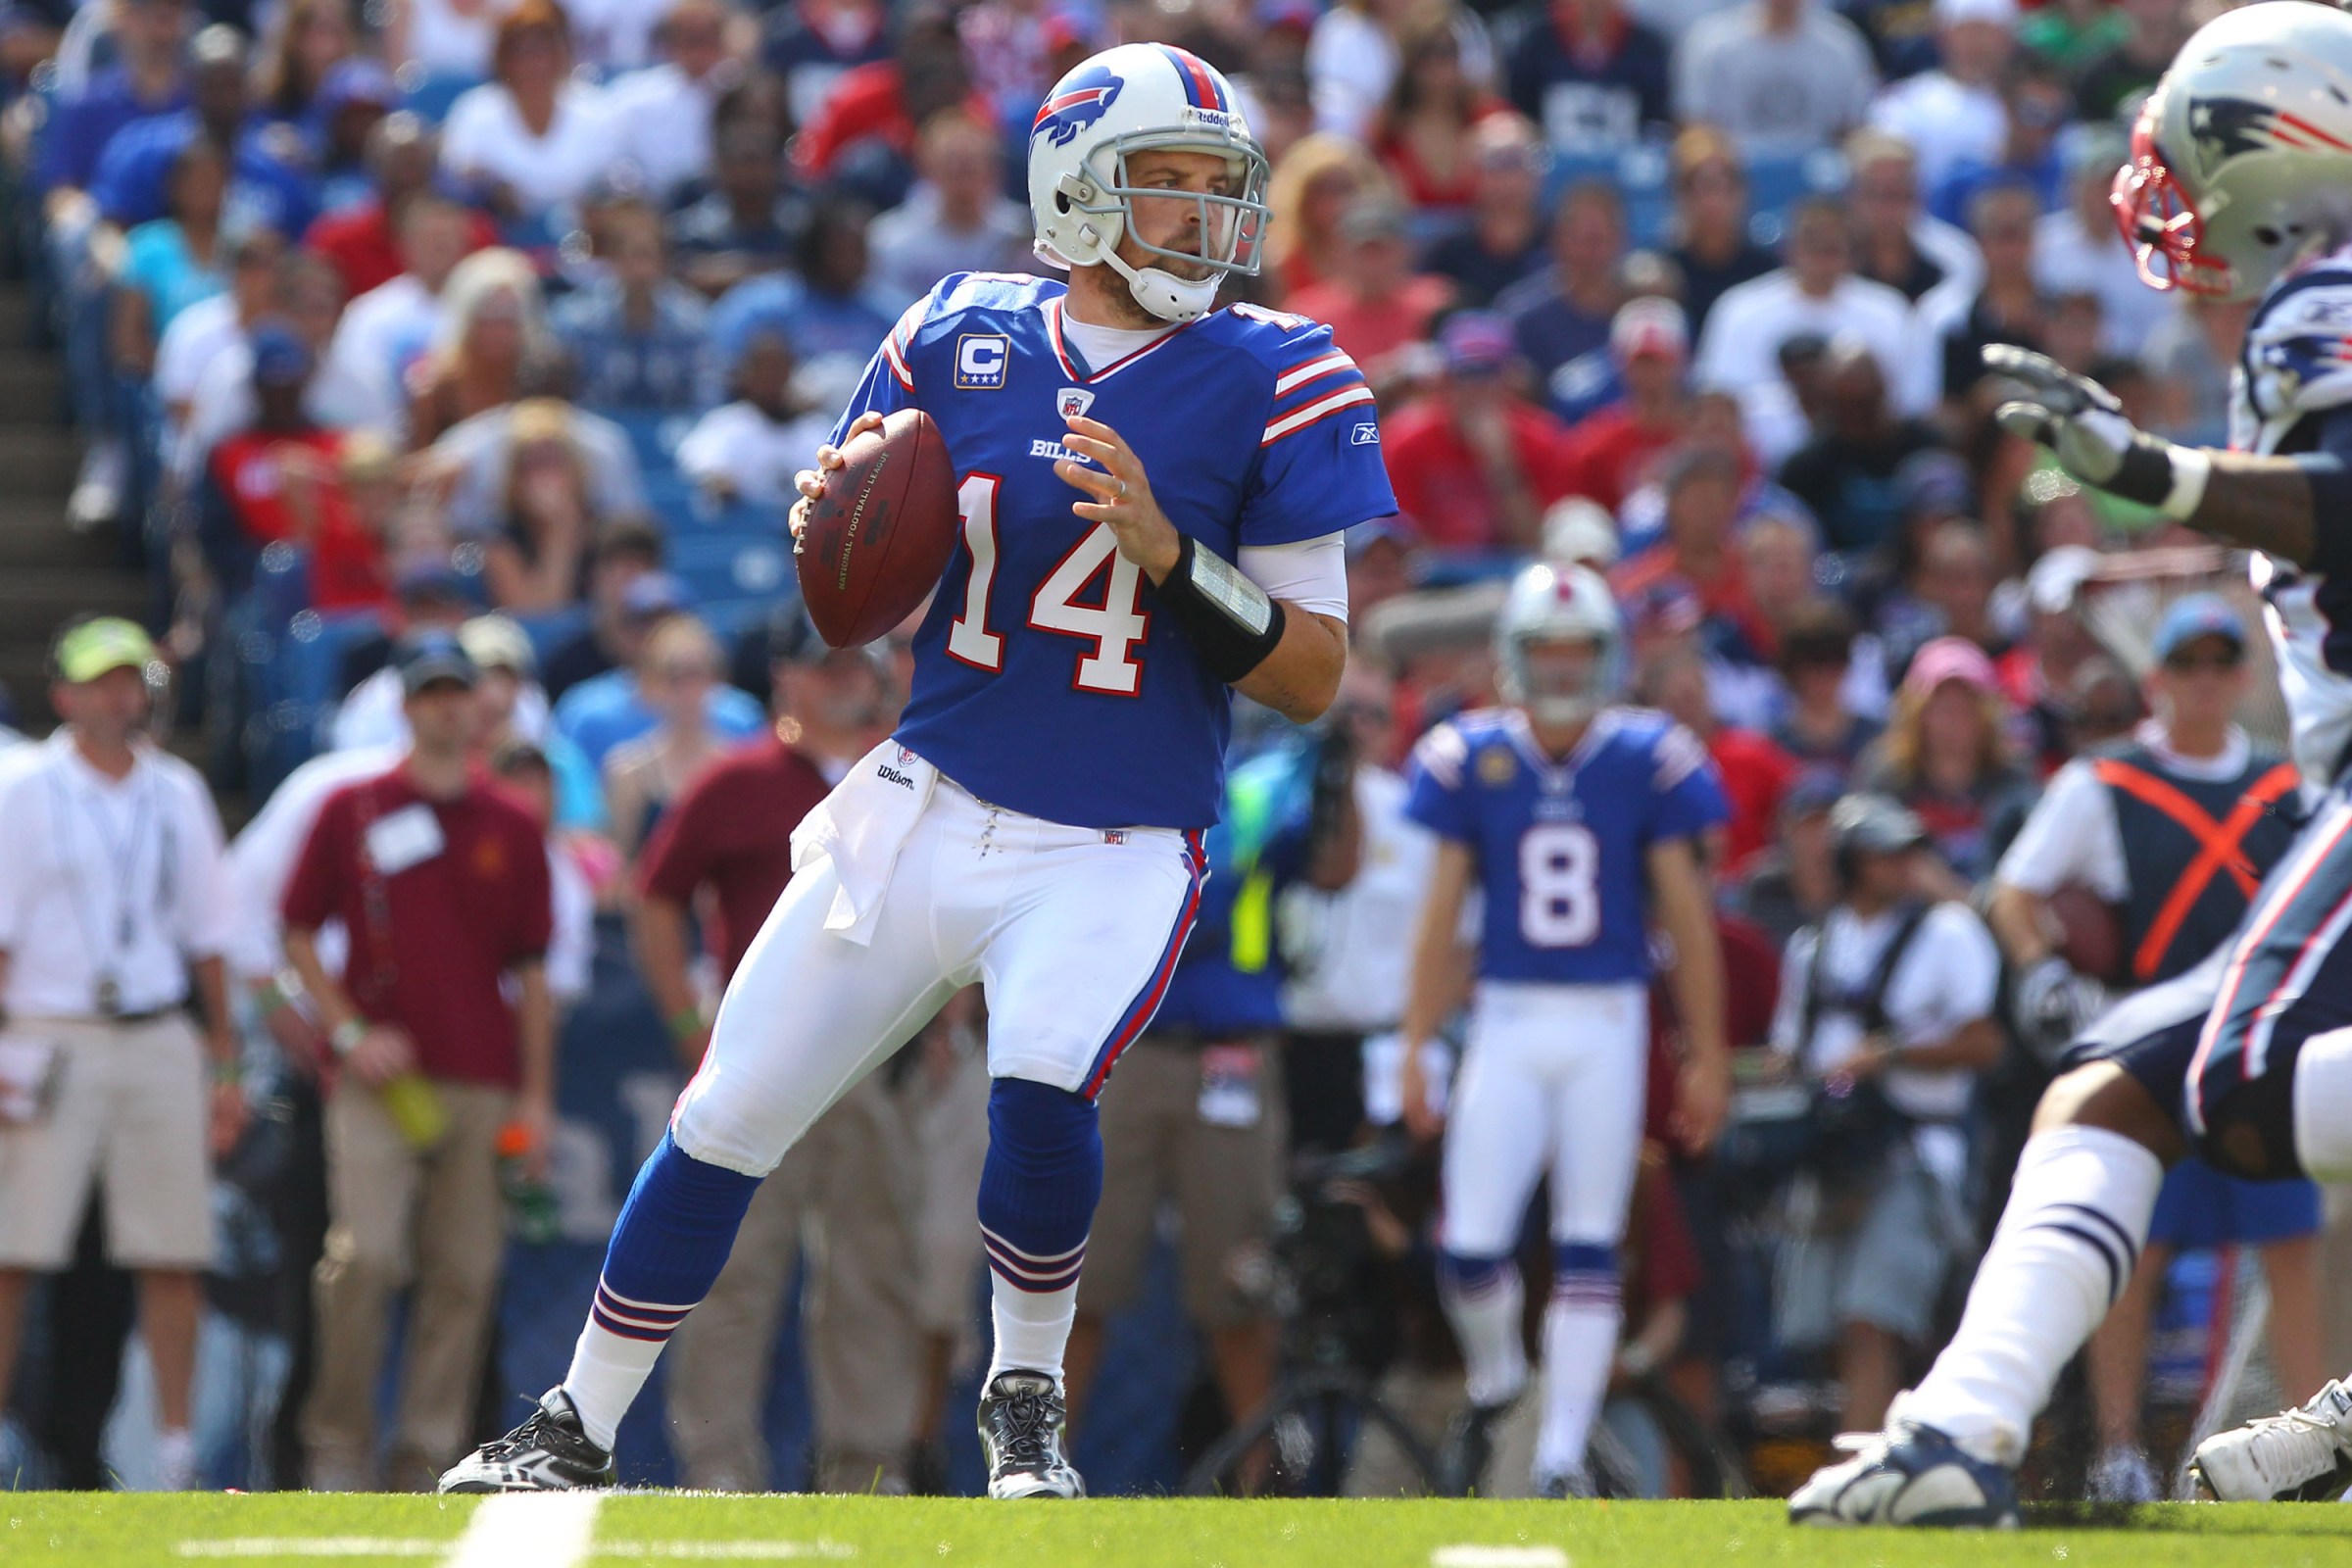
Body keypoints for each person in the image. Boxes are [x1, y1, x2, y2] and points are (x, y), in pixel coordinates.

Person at [440, 42, 1391, 1501]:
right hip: (928, 796)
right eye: (1168, 187)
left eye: (1222, 190)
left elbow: (1314, 673)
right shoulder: (961, 329)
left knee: (1043, 1085)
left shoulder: (1282, 370)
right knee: (727, 1111)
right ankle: (575, 1420)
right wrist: (831, 519)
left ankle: (1024, 1417)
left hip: (1117, 834)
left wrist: (1172, 557)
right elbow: (845, 581)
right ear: (1072, 194)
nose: (1206, 222)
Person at [1790, 2, 2352, 1522]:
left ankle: (1956, 1442)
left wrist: (2150, 475)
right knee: (2115, 1086)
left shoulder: (2327, 300)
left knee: (2226, 1085)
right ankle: (1957, 1433)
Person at [1396, 562, 1731, 1496]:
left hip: (1608, 1018)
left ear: (1610, 654)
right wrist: (1419, 1040)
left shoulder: (1645, 756)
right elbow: (1441, 918)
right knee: (1468, 1246)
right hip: (1504, 1014)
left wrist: (1703, 1053)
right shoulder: (1471, 755)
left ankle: (1558, 1457)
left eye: (1578, 648)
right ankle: (1501, 1378)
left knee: (1590, 1241)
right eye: (1544, 647)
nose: (1560, 665)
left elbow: (1688, 920)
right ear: (1512, 653)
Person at [1985, 595, 2319, 1501]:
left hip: (2258, 1045)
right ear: (2156, 678)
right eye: (2188, 664)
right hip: (2155, 1040)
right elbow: (2016, 891)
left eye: (2221, 663)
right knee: (2137, 1247)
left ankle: (2314, 1459)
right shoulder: (2104, 782)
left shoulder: (2290, 789)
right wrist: (2039, 973)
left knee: (2293, 1247)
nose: (2205, 681)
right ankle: (2119, 1453)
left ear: (2244, 678)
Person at [632, 604, 944, 1492]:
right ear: (785, 679)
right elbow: (655, 895)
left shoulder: (917, 769)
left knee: (873, 1280)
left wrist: (950, 1018)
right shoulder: (738, 782)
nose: (848, 678)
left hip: (880, 1065)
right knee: (731, 1276)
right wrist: (689, 1023)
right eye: (827, 665)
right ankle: (717, 1472)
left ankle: (865, 1473)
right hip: (765, 1060)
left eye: (857, 664)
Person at [281, 634, 556, 1492]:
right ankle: (336, 1446)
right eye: (429, 691)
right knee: (368, 1256)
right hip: (378, 1082)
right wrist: (348, 1030)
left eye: (456, 691)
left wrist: (536, 1099)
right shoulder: (351, 805)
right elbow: (294, 927)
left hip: (479, 1076)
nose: (444, 706)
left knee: (464, 1273)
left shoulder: (512, 821)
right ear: (404, 705)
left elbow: (534, 972)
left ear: (480, 706)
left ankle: (422, 1457)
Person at [0, 617, 242, 1493]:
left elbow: (210, 935)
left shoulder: (175, 790)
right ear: (63, 695)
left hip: (154, 1030)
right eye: (101, 680)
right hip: (44, 1029)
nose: (119, 695)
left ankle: (173, 1454)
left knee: (171, 1250)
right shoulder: (21, 786)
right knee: (14, 1251)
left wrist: (224, 1062)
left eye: (131, 679)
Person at [1767, 794, 2004, 1432]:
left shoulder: (1946, 932)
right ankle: (1875, 1450)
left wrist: (1890, 1054)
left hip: (1914, 1151)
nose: (1903, 866)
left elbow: (1986, 1043)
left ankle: (1859, 1467)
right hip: (1830, 1154)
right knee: (1825, 1329)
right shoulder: (1813, 945)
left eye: (1908, 853)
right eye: (1884, 855)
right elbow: (1792, 1054)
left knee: (1874, 1317)